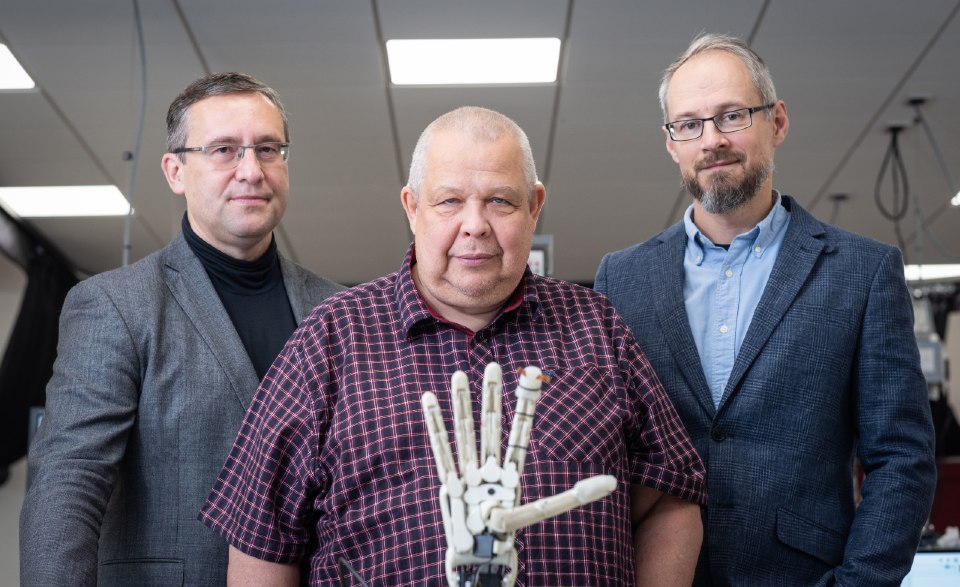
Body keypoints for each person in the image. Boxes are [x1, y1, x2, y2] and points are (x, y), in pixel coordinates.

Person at [199, 106, 707, 586]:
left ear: (534, 207)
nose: (475, 224)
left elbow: (670, 499)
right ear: (412, 207)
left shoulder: (597, 328)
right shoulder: (330, 340)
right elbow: (261, 540)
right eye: (449, 201)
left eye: (500, 201)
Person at [595, 33, 937, 585]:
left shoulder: (861, 272)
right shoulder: (622, 279)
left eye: (732, 116)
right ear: (671, 143)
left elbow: (902, 459)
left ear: (776, 122)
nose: (711, 140)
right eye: (689, 124)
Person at [19, 72, 344, 586]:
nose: (251, 170)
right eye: (223, 150)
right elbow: (69, 480)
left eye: (267, 149)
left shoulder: (339, 312)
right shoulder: (115, 306)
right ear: (175, 171)